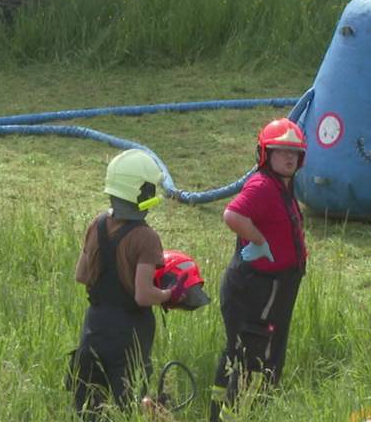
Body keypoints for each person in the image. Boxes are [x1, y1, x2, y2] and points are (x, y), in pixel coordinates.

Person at [68, 149, 191, 420]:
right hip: (129, 333)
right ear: (141, 192)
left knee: (90, 407)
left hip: (95, 327)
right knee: (129, 407)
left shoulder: (97, 224)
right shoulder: (145, 237)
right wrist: (170, 293)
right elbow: (143, 295)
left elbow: (81, 275)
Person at [209, 118, 308, 422]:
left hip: (272, 287)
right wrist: (260, 241)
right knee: (253, 360)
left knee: (243, 354)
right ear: (266, 154)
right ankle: (235, 416)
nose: (289, 157)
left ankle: (219, 413)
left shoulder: (282, 186)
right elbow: (233, 214)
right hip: (258, 288)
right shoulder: (264, 185)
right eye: (281, 151)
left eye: (294, 152)